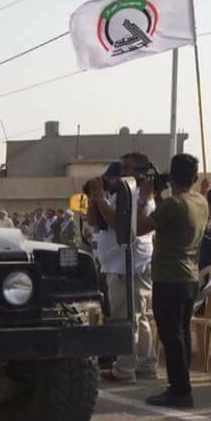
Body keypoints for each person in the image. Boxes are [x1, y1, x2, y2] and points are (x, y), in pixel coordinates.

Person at [135, 153, 207, 408]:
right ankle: (181, 382)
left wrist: (144, 198)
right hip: (189, 277)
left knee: (170, 335)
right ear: (195, 177)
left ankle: (179, 390)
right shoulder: (200, 201)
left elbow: (141, 227)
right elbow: (172, 217)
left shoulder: (173, 205)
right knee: (182, 333)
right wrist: (158, 196)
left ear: (172, 177)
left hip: (169, 279)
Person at [89, 155, 158, 384]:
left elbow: (120, 225)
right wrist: (95, 198)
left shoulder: (140, 195)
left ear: (141, 171)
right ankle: (146, 365)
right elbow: (94, 221)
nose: (121, 171)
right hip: (120, 264)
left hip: (129, 265)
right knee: (139, 318)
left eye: (127, 167)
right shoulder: (123, 193)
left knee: (127, 319)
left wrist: (100, 199)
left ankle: (125, 370)